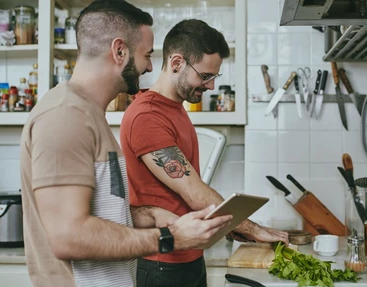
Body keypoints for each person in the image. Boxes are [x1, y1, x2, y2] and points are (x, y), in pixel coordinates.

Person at [19, 1, 232, 287]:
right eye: (146, 55)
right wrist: (170, 239)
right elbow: (68, 236)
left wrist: (150, 215)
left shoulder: (89, 115)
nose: (150, 66)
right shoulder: (64, 116)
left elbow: (99, 214)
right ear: (120, 51)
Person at [120, 19, 289, 287]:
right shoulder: (147, 116)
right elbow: (193, 191)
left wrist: (231, 227)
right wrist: (254, 229)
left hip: (188, 256)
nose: (210, 86)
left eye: (214, 77)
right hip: (163, 264)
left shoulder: (173, 108)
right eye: (205, 76)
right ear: (176, 63)